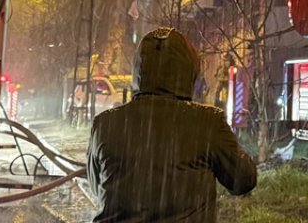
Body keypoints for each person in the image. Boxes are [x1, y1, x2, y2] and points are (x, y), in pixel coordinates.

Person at [88, 28, 257, 222]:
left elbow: (96, 185)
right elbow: (243, 181)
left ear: (138, 71)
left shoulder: (104, 124)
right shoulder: (207, 123)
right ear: (188, 71)